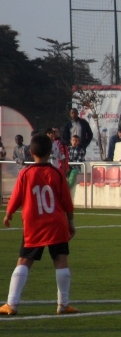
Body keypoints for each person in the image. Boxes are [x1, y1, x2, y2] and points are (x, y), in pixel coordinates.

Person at [0, 134, 78, 316]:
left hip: (34, 225)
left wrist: (9, 214)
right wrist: (70, 221)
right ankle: (63, 304)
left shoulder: (25, 173)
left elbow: (16, 197)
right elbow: (66, 201)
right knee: (61, 260)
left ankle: (12, 304)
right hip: (56, 224)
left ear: (31, 152)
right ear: (50, 152)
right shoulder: (57, 173)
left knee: (24, 261)